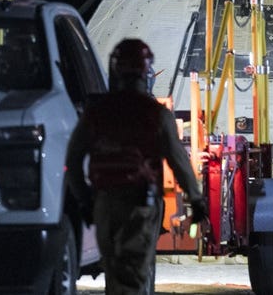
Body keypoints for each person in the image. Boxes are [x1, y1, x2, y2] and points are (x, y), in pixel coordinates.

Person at [65, 38, 209, 295]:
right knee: (133, 277)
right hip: (139, 207)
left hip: (104, 205)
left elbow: (73, 160)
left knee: (114, 271)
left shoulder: (97, 112)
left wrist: (85, 201)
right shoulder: (155, 114)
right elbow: (178, 162)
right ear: (146, 72)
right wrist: (196, 200)